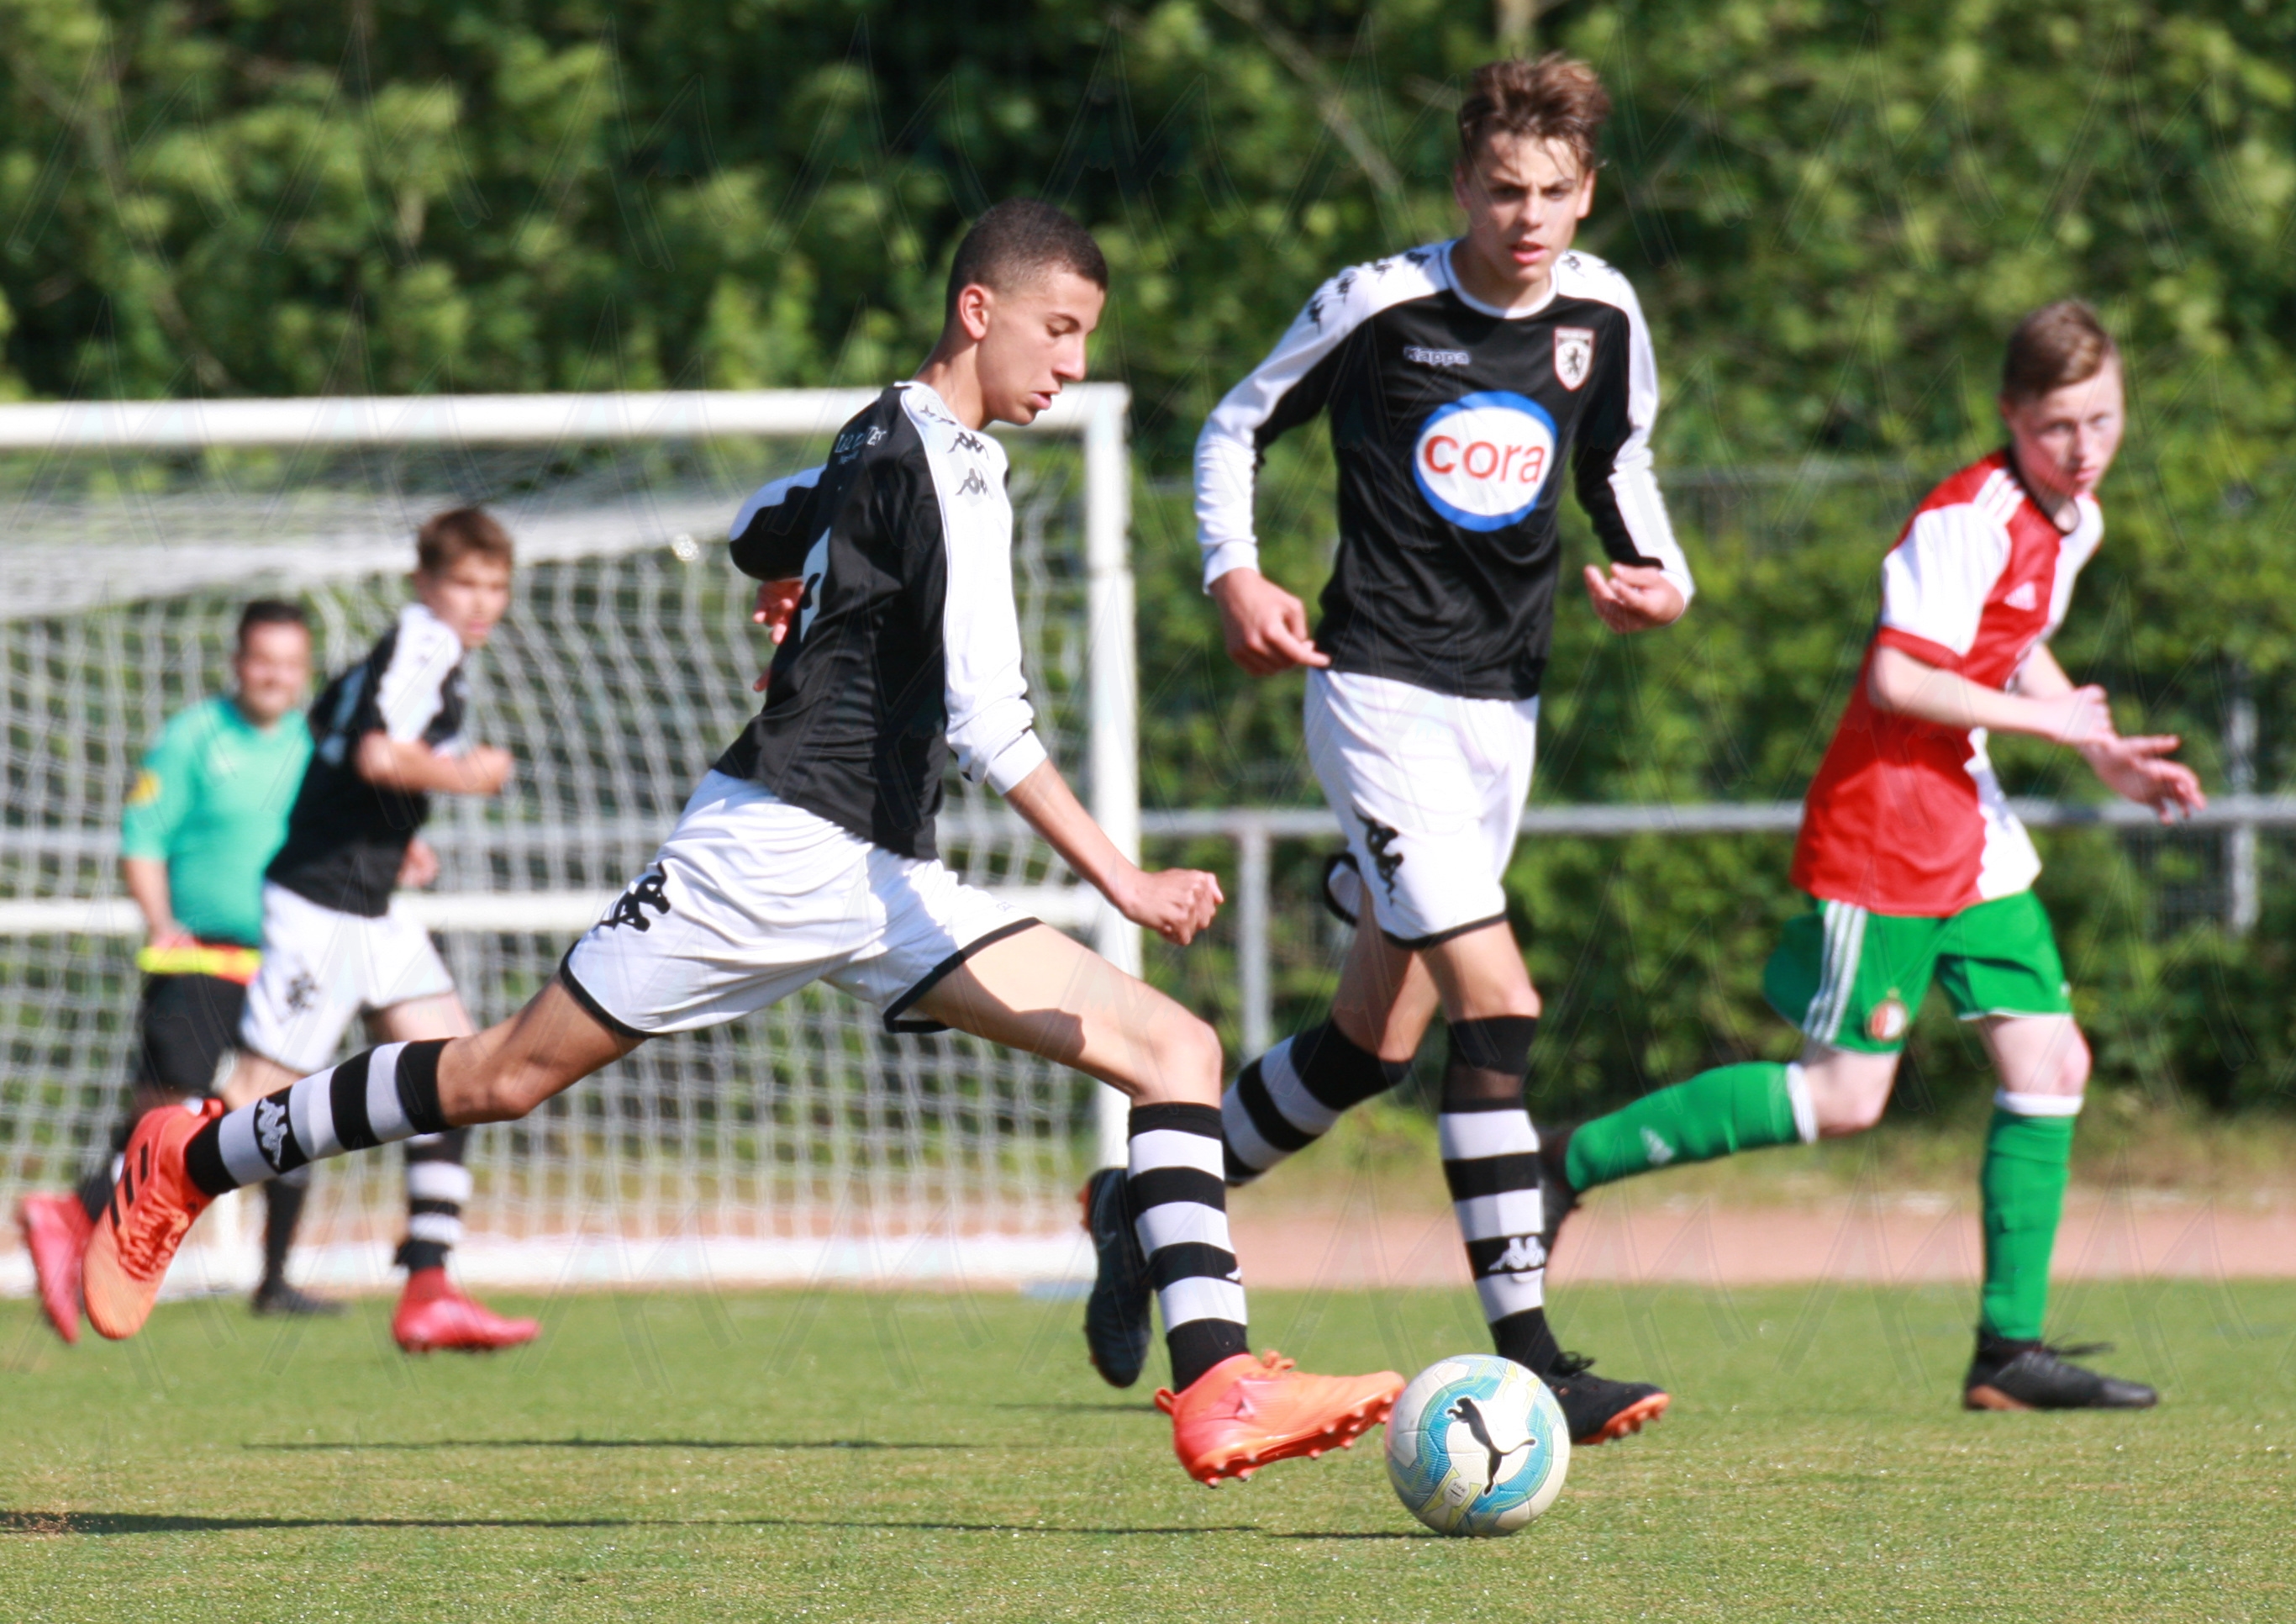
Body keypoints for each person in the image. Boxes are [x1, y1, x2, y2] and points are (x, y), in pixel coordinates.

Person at [80, 198, 1405, 1489]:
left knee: (1172, 1051)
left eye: (1085, 339)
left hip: (885, 879)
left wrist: (804, 574)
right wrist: (1125, 879)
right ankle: (186, 1161)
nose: (1073, 363)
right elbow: (991, 721)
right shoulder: (944, 467)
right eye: (1058, 329)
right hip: (766, 854)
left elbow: (754, 526)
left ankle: (1219, 1382)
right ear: (977, 308)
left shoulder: (877, 433)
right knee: (500, 1075)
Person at [1079, 54, 1686, 1448]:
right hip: (1374, 692)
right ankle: (1534, 1356)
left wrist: (1662, 575)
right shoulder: (1378, 304)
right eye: (1502, 189)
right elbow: (1235, 425)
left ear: (1588, 194)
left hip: (1502, 713)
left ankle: (1138, 1203)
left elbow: (1618, 462)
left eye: (1552, 193)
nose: (1526, 218)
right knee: (1500, 1004)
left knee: (1374, 1040)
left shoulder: (1602, 310)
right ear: (1461, 183)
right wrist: (1235, 573)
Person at [1535, 301, 2193, 1411]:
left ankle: (2008, 1353)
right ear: (2010, 416)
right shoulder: (1965, 519)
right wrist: (2051, 726)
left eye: (2102, 419)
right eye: (2057, 427)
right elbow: (1899, 677)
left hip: (1968, 822)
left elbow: (2015, 645)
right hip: (1887, 821)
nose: (2084, 448)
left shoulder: (2074, 519)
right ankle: (1564, 1162)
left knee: (2051, 1065)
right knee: (1843, 1098)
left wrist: (2105, 754)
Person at [222, 509, 538, 1353]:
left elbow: (332, 729)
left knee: (460, 1067)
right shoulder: (426, 643)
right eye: (463, 583)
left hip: (368, 904)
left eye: (495, 586)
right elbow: (375, 756)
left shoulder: (410, 652)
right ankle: (90, 1210)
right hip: (324, 909)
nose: (481, 602)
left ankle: (429, 1285)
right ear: (425, 583)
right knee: (252, 1099)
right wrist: (469, 775)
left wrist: (397, 837)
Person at [15, 601, 333, 1339]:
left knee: (288, 1103)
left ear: (305, 670)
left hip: (282, 961)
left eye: (290, 664)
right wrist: (161, 921)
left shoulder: (314, 746)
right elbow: (143, 836)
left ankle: (273, 1279)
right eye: (264, 660)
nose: (276, 676)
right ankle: (74, 1221)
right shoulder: (194, 736)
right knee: (170, 1115)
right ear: (239, 663)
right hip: (199, 959)